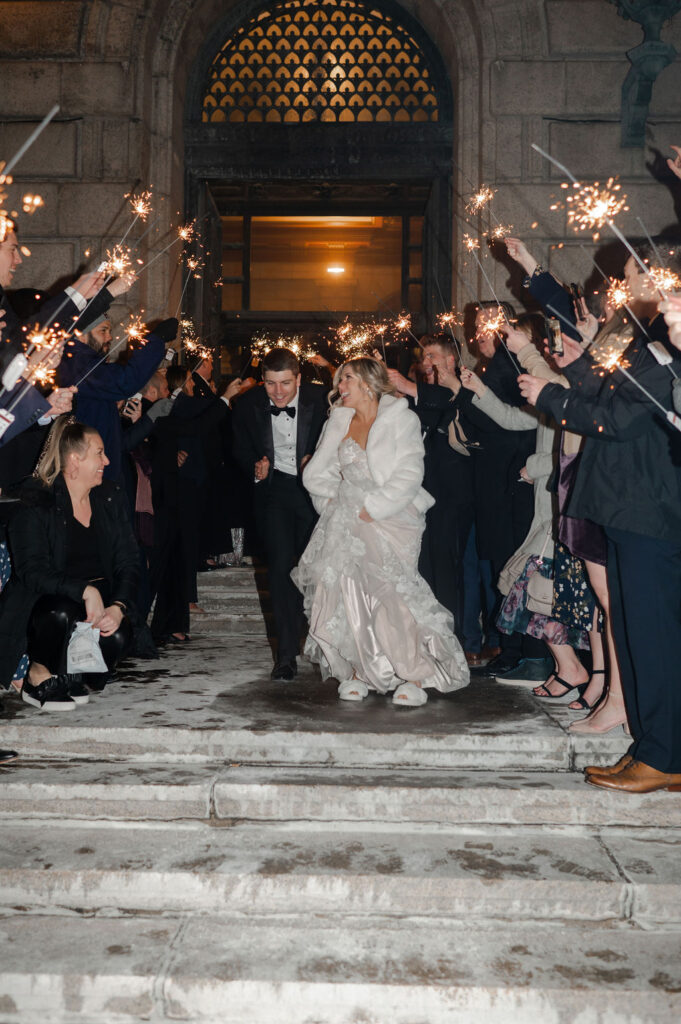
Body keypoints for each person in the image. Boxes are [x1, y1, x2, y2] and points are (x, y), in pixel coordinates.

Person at [519, 240, 681, 793]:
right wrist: (572, 370)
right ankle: (651, 745)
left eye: (633, 269)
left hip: (648, 505)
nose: (623, 277)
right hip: (622, 503)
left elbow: (625, 420)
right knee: (635, 631)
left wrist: (551, 397)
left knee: (653, 634)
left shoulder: (664, 344)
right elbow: (602, 390)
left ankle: (664, 755)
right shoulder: (637, 332)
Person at [294, 357, 469, 706]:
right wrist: (332, 501)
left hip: (391, 518)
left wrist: (373, 508)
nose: (338, 386)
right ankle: (360, 671)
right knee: (348, 596)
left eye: (346, 379)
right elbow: (317, 473)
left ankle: (413, 673)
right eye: (340, 379)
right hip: (345, 519)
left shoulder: (400, 418)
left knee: (393, 597)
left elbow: (409, 473)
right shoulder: (338, 420)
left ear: (368, 384)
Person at [0, 417, 138, 710]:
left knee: (120, 634)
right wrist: (85, 590)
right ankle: (37, 676)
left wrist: (118, 606)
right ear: (75, 460)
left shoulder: (109, 497)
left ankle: (69, 673)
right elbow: (32, 572)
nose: (108, 460)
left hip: (89, 609)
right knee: (60, 612)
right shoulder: (36, 500)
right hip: (41, 606)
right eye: (99, 453)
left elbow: (128, 559)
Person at [232, 347, 327, 681]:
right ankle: (285, 656)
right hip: (275, 494)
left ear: (299, 378)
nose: (279, 392)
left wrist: (318, 461)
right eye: (271, 384)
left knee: (318, 569)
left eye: (286, 383)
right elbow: (239, 449)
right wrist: (255, 469)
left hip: (316, 495)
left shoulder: (324, 400)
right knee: (280, 570)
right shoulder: (246, 405)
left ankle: (325, 644)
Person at [384, 335, 474, 648]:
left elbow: (449, 399)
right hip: (423, 496)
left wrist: (408, 388)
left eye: (432, 356)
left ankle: (453, 637)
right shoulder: (426, 394)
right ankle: (428, 633)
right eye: (423, 358)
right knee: (425, 566)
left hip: (453, 495)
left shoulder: (464, 389)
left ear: (451, 360)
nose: (425, 364)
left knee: (448, 567)